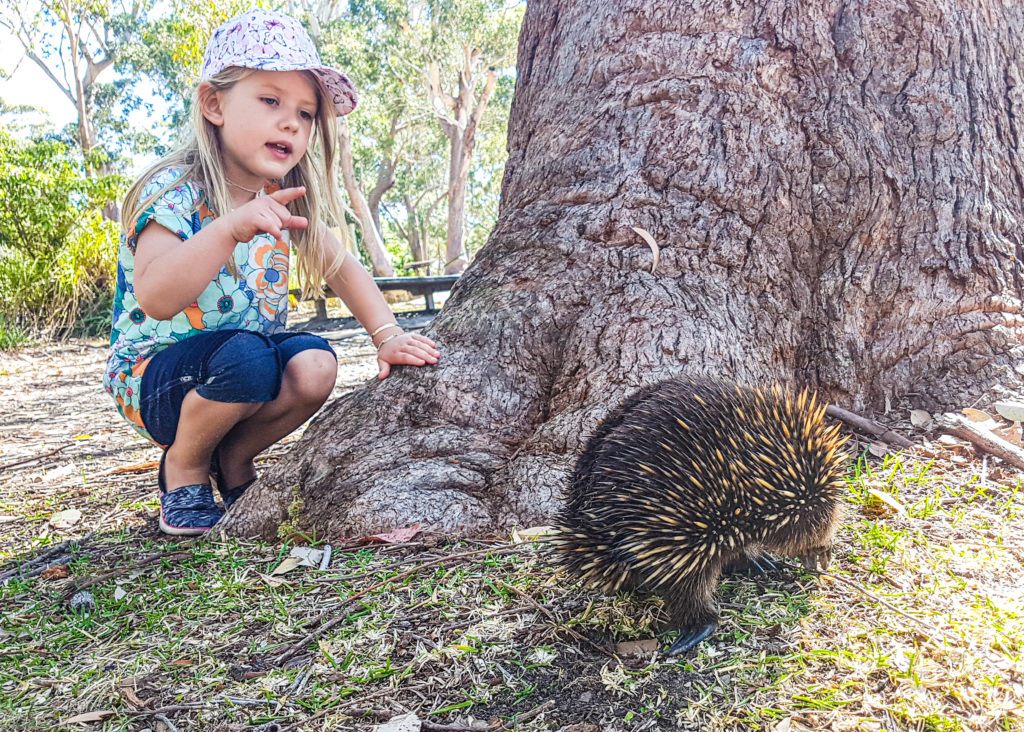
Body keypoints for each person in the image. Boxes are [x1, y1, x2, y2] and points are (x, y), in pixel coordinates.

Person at [103, 9, 440, 537]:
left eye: (305, 114)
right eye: (270, 101)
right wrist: (228, 230)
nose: (291, 122)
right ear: (214, 103)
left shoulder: (281, 203)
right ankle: (185, 467)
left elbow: (343, 267)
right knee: (246, 357)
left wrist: (388, 335)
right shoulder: (175, 190)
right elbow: (156, 296)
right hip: (155, 377)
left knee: (313, 364)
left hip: (245, 372)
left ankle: (234, 460)